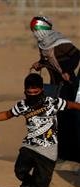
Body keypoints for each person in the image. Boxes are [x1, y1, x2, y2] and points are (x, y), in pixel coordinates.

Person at [30, 16, 80, 163]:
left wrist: (66, 70)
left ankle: (74, 155)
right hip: (56, 86)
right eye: (33, 30)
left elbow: (77, 55)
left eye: (36, 29)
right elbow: (48, 60)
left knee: (70, 118)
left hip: (70, 85)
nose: (35, 33)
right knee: (57, 119)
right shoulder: (42, 44)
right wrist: (40, 64)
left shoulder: (60, 42)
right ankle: (62, 154)